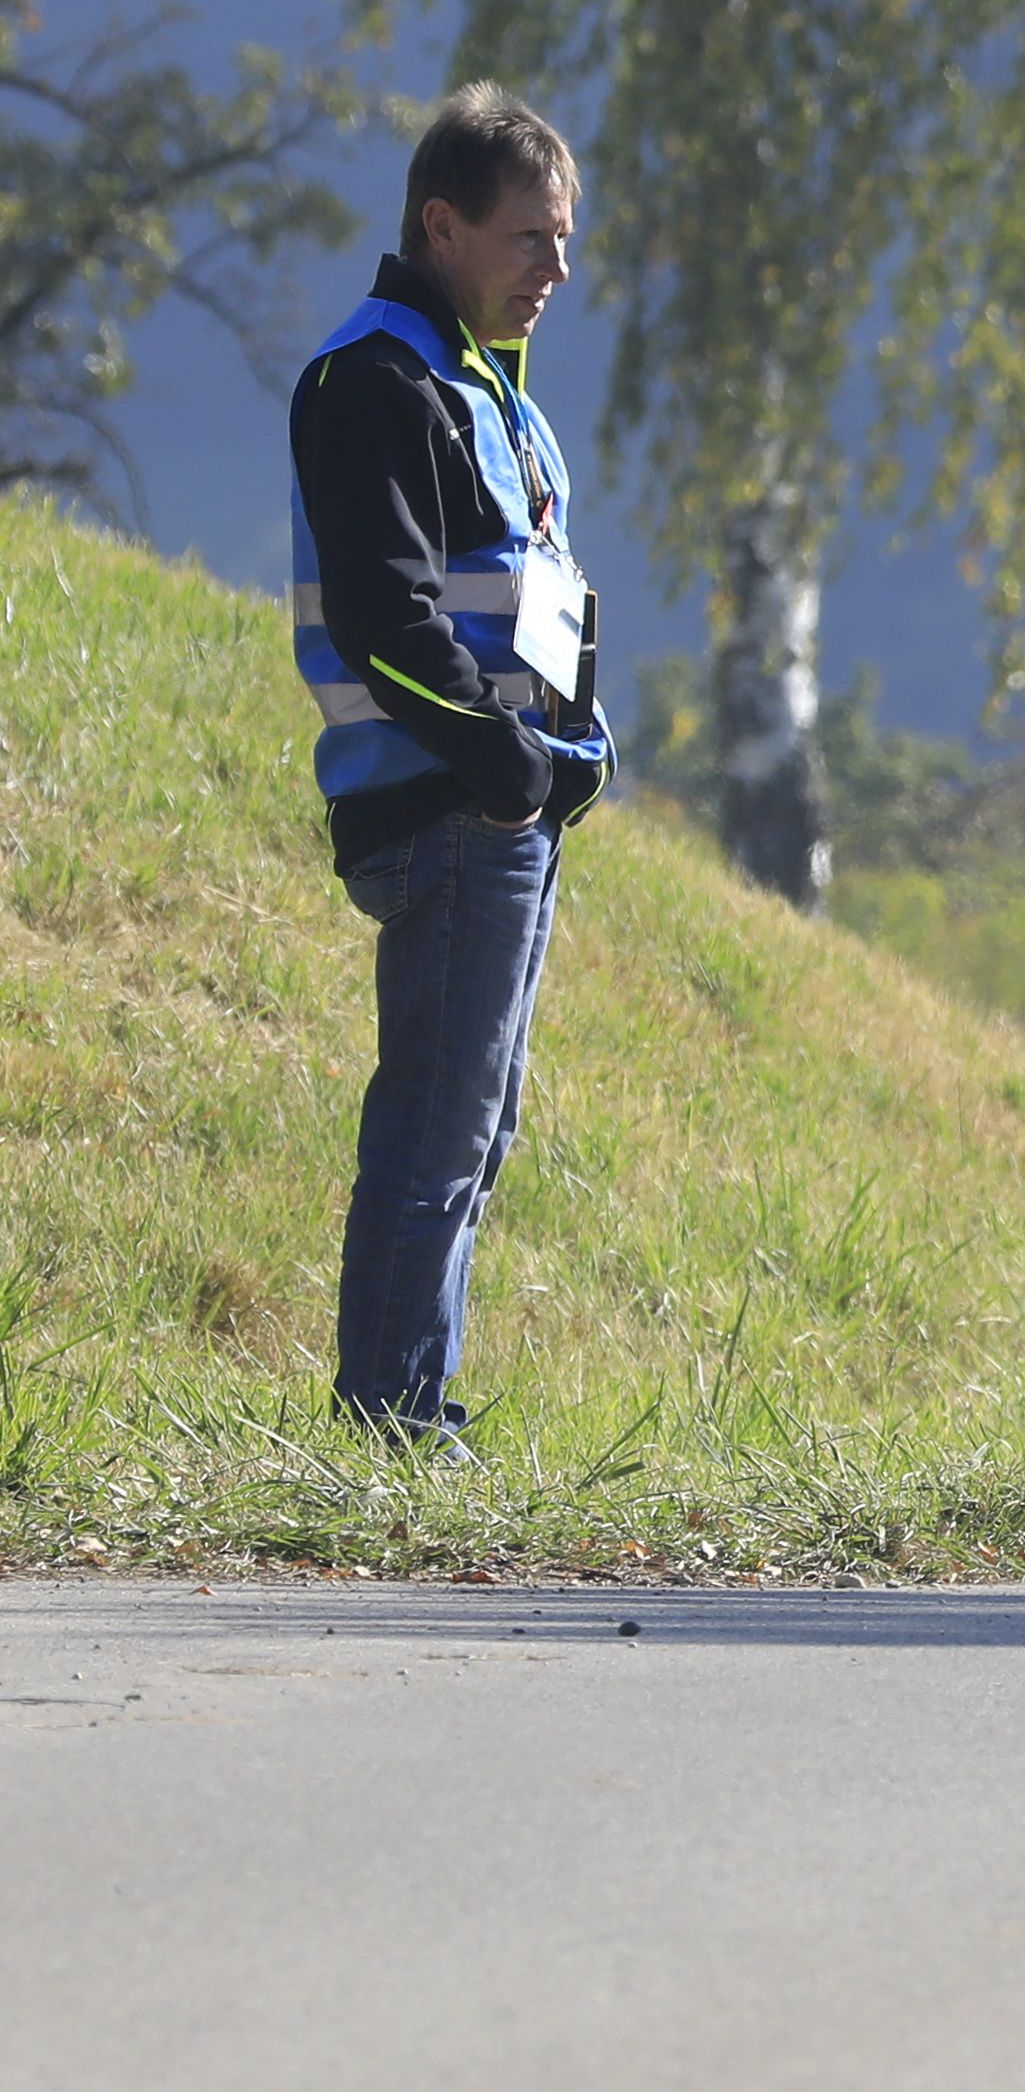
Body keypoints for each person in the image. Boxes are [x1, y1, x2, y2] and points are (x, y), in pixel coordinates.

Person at [289, 84, 611, 1451]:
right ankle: (392, 1430)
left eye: (567, 237)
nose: (558, 268)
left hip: (504, 815)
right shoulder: (374, 381)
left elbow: (532, 594)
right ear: (441, 223)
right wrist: (504, 766)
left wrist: (572, 753)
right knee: (433, 1129)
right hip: (449, 813)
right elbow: (386, 615)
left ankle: (414, 1403)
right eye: (532, 236)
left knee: (477, 1137)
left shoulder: (483, 390)